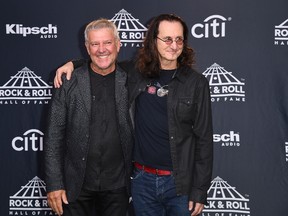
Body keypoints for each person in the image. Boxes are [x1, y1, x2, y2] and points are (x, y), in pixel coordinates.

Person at [54, 14, 213, 216]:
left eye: (178, 39)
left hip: (180, 184)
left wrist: (199, 191)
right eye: (167, 39)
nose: (173, 45)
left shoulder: (196, 83)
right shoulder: (135, 72)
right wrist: (73, 64)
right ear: (153, 41)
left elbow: (205, 140)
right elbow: (103, 60)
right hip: (142, 182)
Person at [44, 18, 133, 216]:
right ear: (87, 47)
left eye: (107, 42)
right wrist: (54, 184)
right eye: (95, 44)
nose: (102, 49)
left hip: (118, 187)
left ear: (118, 44)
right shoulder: (68, 82)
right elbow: (53, 138)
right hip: (75, 187)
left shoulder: (131, 79)